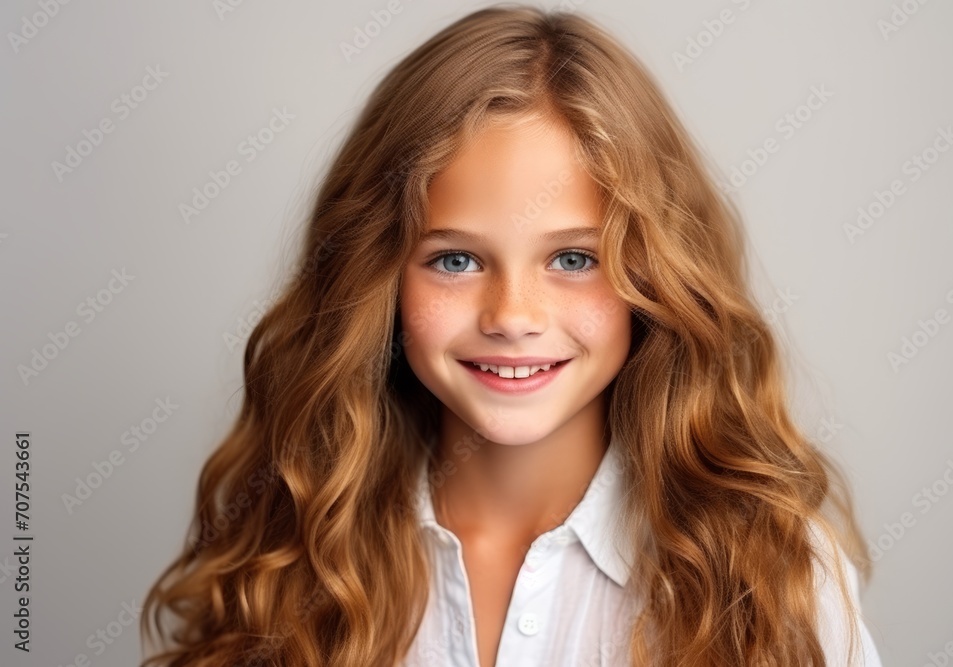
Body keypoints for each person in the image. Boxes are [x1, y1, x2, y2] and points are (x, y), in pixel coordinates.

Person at [140, 5, 883, 666]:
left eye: (573, 258)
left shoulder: (774, 575)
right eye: (455, 259)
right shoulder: (289, 552)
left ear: (654, 276)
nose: (513, 314)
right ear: (381, 278)